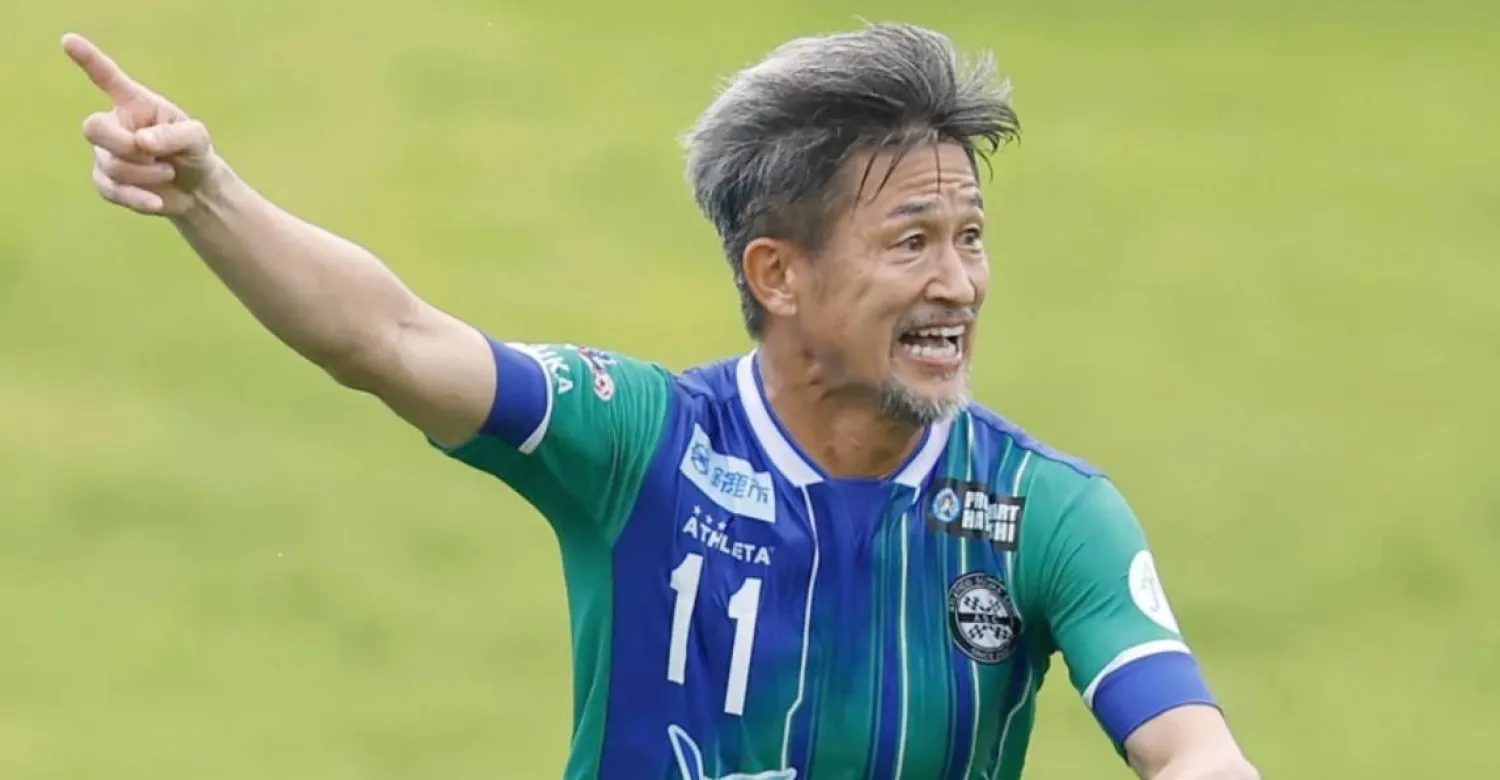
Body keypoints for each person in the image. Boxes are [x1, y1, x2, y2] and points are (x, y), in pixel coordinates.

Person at [62, 21, 1259, 780]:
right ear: (776, 275)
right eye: (911, 241)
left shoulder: (1044, 513)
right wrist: (207, 194)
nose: (958, 282)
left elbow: (1190, 745)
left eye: (971, 237)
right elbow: (389, 337)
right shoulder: (645, 442)